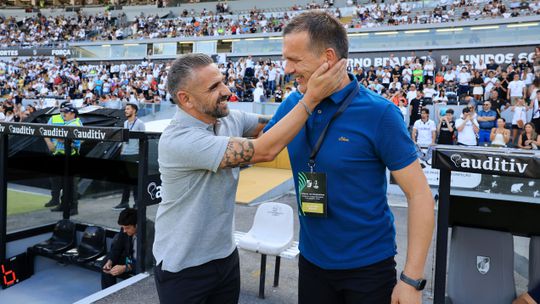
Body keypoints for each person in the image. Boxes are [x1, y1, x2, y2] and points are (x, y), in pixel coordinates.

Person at [264, 11, 434, 304]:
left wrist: (411, 280)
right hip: (312, 262)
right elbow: (262, 148)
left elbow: (419, 194)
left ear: (327, 57)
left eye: (294, 59)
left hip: (368, 269)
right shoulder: (294, 104)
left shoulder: (379, 113)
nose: (287, 68)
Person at [153, 53, 345, 304]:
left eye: (222, 81)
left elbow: (274, 125)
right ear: (185, 99)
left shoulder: (227, 118)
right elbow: (265, 149)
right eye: (213, 87)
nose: (226, 90)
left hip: (224, 256)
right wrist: (310, 98)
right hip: (184, 268)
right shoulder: (179, 140)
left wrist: (306, 89)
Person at [44, 105, 83, 216]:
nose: (64, 114)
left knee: (71, 183)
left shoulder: (74, 124)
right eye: (63, 112)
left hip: (71, 156)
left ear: (73, 114)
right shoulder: (70, 123)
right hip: (63, 155)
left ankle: (73, 207)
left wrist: (58, 137)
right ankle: (65, 204)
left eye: (66, 112)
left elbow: (63, 139)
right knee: (66, 183)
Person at [102, 208, 154, 289]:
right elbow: (117, 247)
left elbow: (149, 261)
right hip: (130, 259)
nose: (124, 231)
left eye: (127, 228)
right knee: (106, 262)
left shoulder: (150, 230)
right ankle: (108, 292)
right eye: (123, 228)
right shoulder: (125, 226)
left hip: (143, 263)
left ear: (137, 225)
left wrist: (126, 267)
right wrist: (110, 261)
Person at [113, 103, 146, 210]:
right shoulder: (125, 122)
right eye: (125, 109)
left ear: (134, 111)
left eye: (128, 109)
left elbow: (143, 141)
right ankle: (124, 202)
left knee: (134, 181)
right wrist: (122, 152)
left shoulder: (140, 123)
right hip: (125, 154)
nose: (125, 111)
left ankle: (137, 203)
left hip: (134, 155)